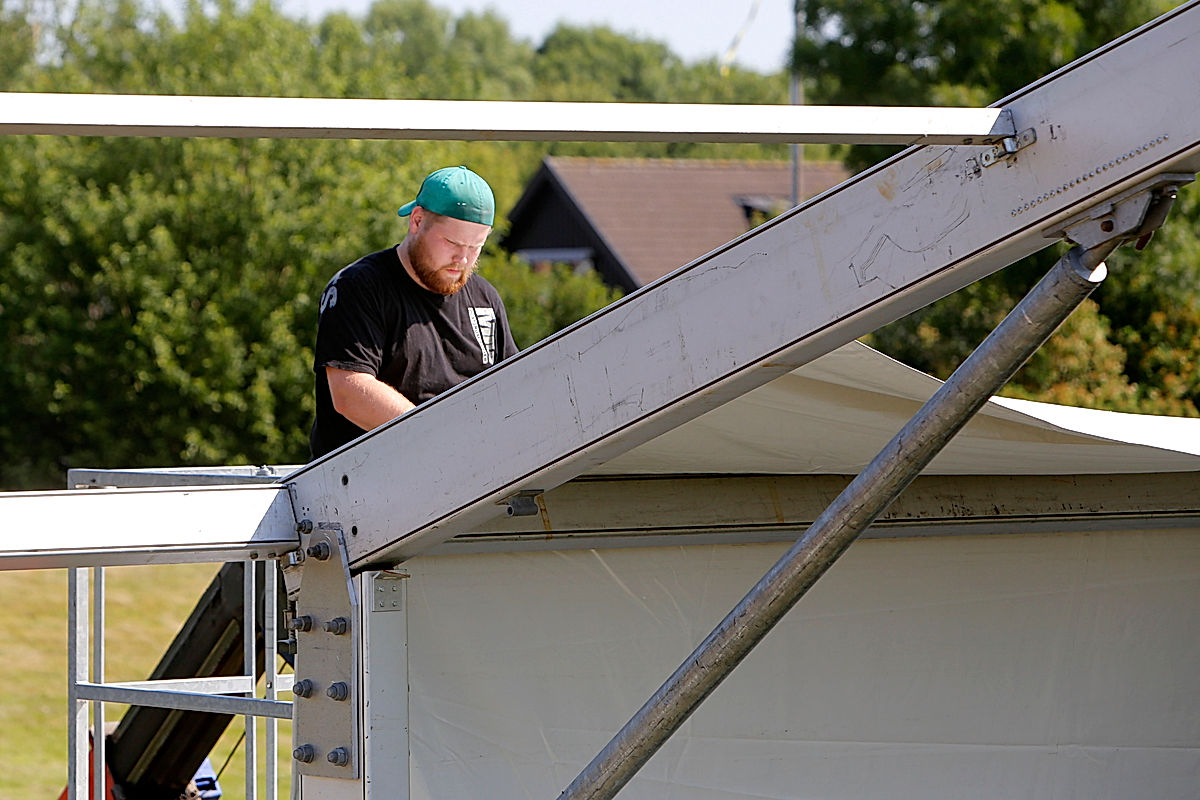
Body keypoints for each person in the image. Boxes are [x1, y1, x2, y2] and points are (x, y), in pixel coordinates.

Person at [309, 166, 519, 458]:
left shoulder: (485, 299)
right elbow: (350, 393)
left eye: (476, 247)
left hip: (470, 483)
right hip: (364, 484)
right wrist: (443, 442)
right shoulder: (359, 288)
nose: (463, 258)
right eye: (453, 243)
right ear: (417, 221)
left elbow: (511, 392)